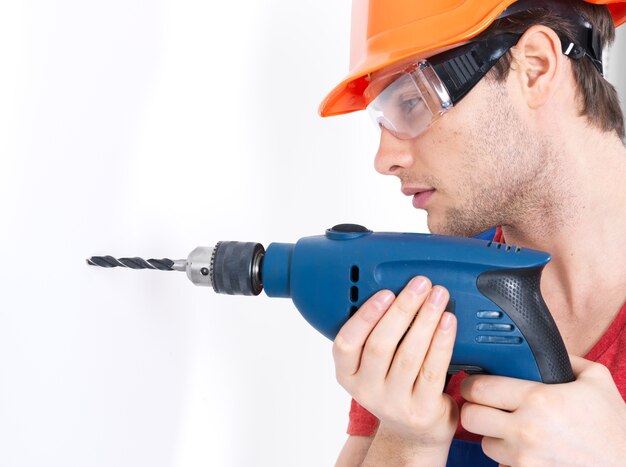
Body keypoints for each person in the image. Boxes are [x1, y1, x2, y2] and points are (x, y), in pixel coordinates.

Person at [318, 0, 626, 465]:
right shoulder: (432, 297)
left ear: (535, 69)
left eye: (412, 100)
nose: (384, 160)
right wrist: (408, 441)